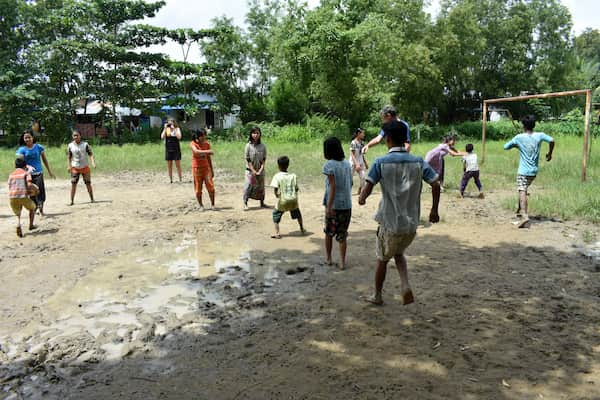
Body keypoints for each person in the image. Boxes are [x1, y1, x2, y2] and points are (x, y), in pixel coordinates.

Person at [358, 119, 440, 306]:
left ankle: (377, 295)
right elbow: (435, 184)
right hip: (410, 225)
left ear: (387, 139)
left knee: (382, 259)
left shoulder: (381, 162)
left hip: (389, 223)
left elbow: (368, 186)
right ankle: (405, 285)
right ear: (405, 139)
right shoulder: (418, 162)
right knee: (398, 252)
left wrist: (362, 198)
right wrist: (434, 210)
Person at [504, 115, 555, 228]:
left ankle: (525, 216)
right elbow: (552, 140)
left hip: (523, 171)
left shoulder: (519, 137)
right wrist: (550, 153)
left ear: (523, 126)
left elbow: (505, 146)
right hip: (533, 171)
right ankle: (519, 209)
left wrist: (516, 145)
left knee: (522, 190)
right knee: (523, 188)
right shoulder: (540, 135)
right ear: (534, 125)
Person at [322, 137, 353, 270]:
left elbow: (332, 187)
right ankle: (342, 261)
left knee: (329, 232)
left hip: (334, 205)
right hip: (346, 204)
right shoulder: (347, 164)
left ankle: (328, 258)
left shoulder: (328, 165)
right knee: (342, 234)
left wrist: (329, 206)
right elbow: (350, 183)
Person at [16, 130, 55, 216]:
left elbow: (44, 160)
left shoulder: (38, 147)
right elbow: (19, 163)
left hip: (38, 173)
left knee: (40, 191)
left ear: (33, 138)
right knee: (31, 193)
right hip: (27, 175)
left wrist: (49, 171)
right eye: (25, 138)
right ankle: (34, 210)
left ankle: (41, 210)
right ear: (23, 139)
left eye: (29, 137)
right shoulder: (21, 149)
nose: (27, 139)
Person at [269, 156, 305, 239]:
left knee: (276, 214)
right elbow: (296, 188)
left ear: (278, 166)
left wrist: (277, 195)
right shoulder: (293, 176)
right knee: (298, 214)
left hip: (284, 201)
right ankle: (302, 229)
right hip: (293, 200)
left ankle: (277, 233)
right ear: (288, 165)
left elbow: (275, 189)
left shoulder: (277, 176)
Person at [8, 157, 37, 237]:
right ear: (25, 166)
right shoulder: (26, 173)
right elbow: (29, 184)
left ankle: (18, 224)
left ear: (15, 166)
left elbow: (10, 186)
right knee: (32, 208)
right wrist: (36, 190)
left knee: (18, 213)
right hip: (22, 196)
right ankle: (31, 225)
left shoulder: (11, 175)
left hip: (12, 196)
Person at [67, 129, 96, 205]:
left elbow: (90, 154)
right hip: (75, 167)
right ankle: (72, 201)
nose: (76, 137)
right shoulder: (70, 145)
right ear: (72, 136)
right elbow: (69, 157)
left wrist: (93, 162)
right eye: (74, 135)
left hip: (85, 167)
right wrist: (69, 166)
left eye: (77, 135)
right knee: (73, 184)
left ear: (80, 136)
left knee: (88, 183)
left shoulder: (85, 144)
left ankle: (92, 198)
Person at [190, 129, 215, 211]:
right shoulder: (193, 144)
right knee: (198, 188)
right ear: (198, 137)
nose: (204, 138)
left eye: (205, 136)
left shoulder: (207, 144)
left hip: (206, 168)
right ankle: (201, 205)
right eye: (203, 136)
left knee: (210, 187)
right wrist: (208, 151)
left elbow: (208, 158)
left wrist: (211, 169)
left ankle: (213, 204)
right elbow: (196, 152)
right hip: (197, 169)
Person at [243, 126, 267, 210]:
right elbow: (248, 159)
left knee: (261, 187)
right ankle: (245, 203)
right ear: (251, 134)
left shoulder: (263, 146)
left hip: (260, 171)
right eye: (253, 133)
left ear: (260, 134)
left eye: (257, 133)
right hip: (250, 171)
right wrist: (253, 170)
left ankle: (262, 202)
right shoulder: (248, 146)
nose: (255, 135)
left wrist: (260, 170)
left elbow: (264, 159)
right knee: (248, 186)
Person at [160, 118, 182, 183]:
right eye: (169, 123)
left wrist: (174, 129)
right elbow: (162, 137)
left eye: (171, 123)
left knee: (178, 165)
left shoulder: (177, 129)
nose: (170, 124)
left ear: (174, 123)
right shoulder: (167, 130)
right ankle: (171, 179)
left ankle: (180, 179)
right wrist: (165, 128)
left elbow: (179, 137)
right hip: (168, 148)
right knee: (169, 165)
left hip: (176, 148)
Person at [349, 128, 369, 196]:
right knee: (350, 178)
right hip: (353, 163)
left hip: (360, 162)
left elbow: (361, 154)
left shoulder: (362, 143)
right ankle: (348, 191)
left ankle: (361, 189)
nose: (364, 134)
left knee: (363, 177)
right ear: (358, 134)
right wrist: (356, 164)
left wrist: (365, 162)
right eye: (362, 133)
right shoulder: (353, 142)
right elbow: (352, 155)